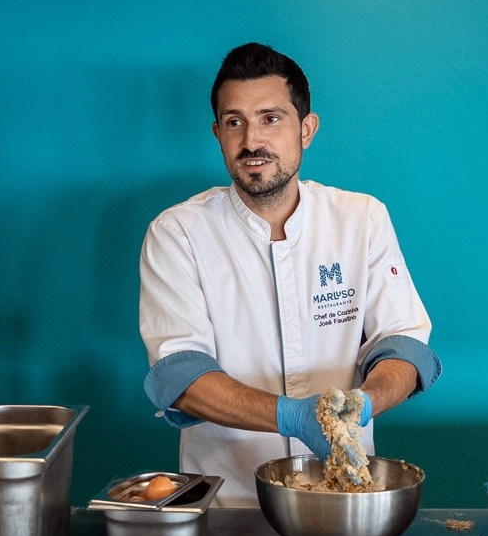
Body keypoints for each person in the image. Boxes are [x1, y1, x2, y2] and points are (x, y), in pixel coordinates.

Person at [138, 42, 441, 506]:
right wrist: (291, 416)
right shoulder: (177, 232)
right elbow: (180, 377)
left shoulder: (361, 219)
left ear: (306, 129)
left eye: (271, 118)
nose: (252, 140)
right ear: (218, 133)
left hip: (346, 498)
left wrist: (365, 403)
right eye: (235, 122)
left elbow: (403, 345)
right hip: (228, 502)